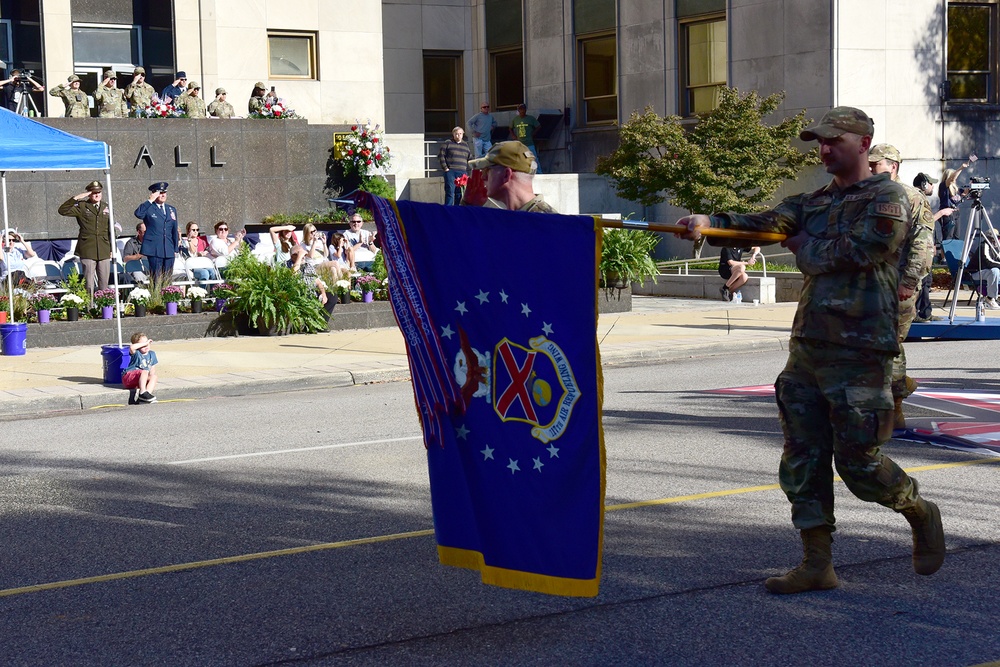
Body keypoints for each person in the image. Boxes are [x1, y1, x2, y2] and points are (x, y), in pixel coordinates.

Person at [674, 106, 945, 594]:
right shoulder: (812, 201)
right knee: (803, 456)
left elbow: (862, 252)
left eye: (833, 141)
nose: (823, 150)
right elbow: (766, 222)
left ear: (863, 144)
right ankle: (817, 562)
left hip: (861, 352)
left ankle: (918, 510)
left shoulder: (889, 198)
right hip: (807, 352)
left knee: (860, 465)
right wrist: (708, 222)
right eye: (819, 142)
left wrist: (804, 247)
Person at [868, 144, 936, 429]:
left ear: (893, 166)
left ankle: (894, 408)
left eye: (877, 164)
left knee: (889, 345)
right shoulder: (863, 195)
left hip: (897, 286)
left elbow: (923, 244)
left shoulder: (912, 197)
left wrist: (908, 282)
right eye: (869, 164)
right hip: (866, 285)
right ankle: (900, 387)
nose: (871, 168)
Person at [465, 141, 556, 213]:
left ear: (506, 174)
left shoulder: (545, 223)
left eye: (487, 170)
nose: (483, 177)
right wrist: (469, 207)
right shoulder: (513, 217)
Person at [58, 180, 112, 298]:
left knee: (104, 282)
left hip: (104, 248)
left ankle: (104, 308)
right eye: (93, 193)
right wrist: (77, 198)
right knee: (89, 283)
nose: (97, 195)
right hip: (88, 248)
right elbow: (62, 210)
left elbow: (110, 229)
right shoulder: (82, 206)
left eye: (99, 192)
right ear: (89, 194)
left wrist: (112, 248)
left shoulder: (106, 206)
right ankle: (90, 307)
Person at [912, 173, 953, 322]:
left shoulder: (922, 198)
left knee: (926, 281)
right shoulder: (916, 198)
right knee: (920, 282)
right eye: (931, 183)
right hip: (918, 247)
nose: (933, 186)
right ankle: (917, 313)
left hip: (926, 246)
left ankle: (925, 312)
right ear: (924, 185)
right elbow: (924, 223)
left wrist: (932, 246)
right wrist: (942, 213)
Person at [134, 182, 179, 281]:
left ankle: (166, 296)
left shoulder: (171, 209)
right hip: (154, 249)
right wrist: (150, 200)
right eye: (160, 193)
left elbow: (174, 230)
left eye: (164, 193)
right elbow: (138, 214)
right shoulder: (149, 207)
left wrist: (175, 248)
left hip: (168, 249)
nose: (163, 195)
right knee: (156, 279)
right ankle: (156, 296)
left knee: (167, 279)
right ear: (154, 194)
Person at [967, 227, 1000, 310]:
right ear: (989, 238)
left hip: (985, 272)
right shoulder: (983, 246)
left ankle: (997, 296)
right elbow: (988, 263)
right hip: (975, 273)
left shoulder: (996, 248)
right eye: (996, 238)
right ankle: (989, 298)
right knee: (995, 271)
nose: (997, 240)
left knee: (995, 271)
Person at [438, 126, 472, 206]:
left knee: (460, 193)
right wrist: (445, 168)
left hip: (463, 172)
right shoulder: (448, 143)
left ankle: (457, 210)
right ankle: (448, 210)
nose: (458, 135)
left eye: (460, 134)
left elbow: (470, 159)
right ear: (453, 134)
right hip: (451, 171)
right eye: (456, 134)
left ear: (463, 134)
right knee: (450, 191)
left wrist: (470, 172)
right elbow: (441, 155)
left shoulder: (465, 145)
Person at [122, 332, 159, 404]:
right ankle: (142, 392)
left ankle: (144, 397)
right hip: (129, 378)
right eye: (143, 345)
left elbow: (152, 370)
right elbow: (131, 347)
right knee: (144, 371)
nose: (146, 346)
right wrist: (145, 343)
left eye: (147, 343)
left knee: (154, 377)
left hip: (140, 380)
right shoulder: (136, 353)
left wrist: (150, 380)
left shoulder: (152, 354)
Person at [938, 164, 968, 242]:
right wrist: (961, 168)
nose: (956, 178)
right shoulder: (943, 186)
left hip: (956, 212)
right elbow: (952, 178)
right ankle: (944, 254)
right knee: (948, 237)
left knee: (956, 236)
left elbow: (965, 194)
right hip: (948, 213)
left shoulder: (956, 189)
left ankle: (955, 253)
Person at [510, 103, 541, 172]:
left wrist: (532, 134)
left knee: (533, 158)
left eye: (523, 109)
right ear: (518, 110)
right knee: (520, 159)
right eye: (520, 109)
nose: (522, 111)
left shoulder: (530, 118)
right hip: (520, 144)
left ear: (525, 110)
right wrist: (513, 135)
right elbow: (510, 128)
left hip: (529, 143)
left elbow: (538, 126)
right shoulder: (515, 120)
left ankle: (539, 173)